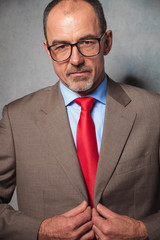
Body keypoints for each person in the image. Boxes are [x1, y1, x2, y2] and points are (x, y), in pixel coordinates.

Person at [0, 0, 159, 239]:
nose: (75, 59)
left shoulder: (154, 111)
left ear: (107, 42)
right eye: (61, 46)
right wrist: (39, 231)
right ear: (47, 49)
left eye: (86, 42)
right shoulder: (16, 119)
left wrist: (144, 230)